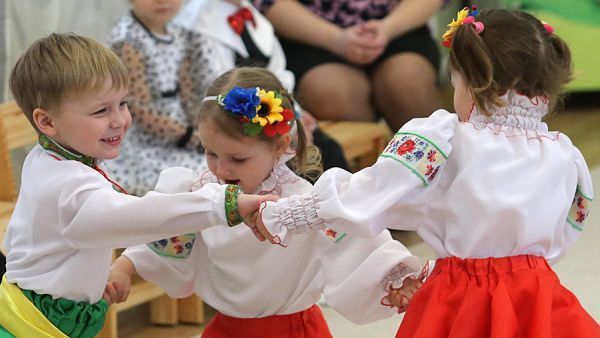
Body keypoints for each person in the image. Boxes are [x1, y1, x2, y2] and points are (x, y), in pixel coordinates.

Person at [254, 8, 600, 337]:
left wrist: (289, 214)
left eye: (456, 83)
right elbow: (568, 226)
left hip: (463, 295)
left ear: (475, 85)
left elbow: (369, 195)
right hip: (534, 295)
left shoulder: (445, 138)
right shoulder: (561, 152)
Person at [106, 67, 425, 338]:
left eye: (238, 158)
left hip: (293, 330)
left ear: (279, 146)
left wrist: (395, 277)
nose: (221, 168)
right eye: (210, 153)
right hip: (226, 331)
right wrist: (125, 265)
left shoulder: (303, 204)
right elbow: (167, 231)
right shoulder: (202, 192)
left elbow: (355, 241)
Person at [0, 33, 271, 338]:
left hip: (36, 310)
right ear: (47, 122)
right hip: (32, 326)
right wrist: (223, 204)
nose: (120, 120)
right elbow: (140, 217)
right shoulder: (67, 184)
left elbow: (24, 239)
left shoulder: (48, 158)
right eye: (101, 111)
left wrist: (80, 280)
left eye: (122, 104)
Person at [174, 0, 349, 171]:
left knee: (329, 150)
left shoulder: (255, 17)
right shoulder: (198, 24)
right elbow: (217, 90)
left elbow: (279, 74)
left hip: (272, 112)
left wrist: (295, 114)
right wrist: (288, 126)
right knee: (298, 161)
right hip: (233, 124)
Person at [253, 0, 443, 132]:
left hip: (399, 25)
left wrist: (389, 28)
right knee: (331, 93)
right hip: (308, 34)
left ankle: (448, 177)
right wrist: (337, 40)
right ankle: (361, 179)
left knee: (406, 83)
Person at [104, 0, 217, 196]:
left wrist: (201, 130)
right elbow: (139, 109)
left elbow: (189, 92)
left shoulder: (180, 34)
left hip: (179, 132)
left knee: (219, 160)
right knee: (199, 174)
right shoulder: (128, 41)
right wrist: (189, 137)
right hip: (144, 144)